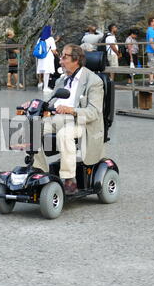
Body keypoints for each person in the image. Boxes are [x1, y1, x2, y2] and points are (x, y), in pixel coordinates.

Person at [29, 44, 105, 195]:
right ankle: (40, 171)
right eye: (61, 57)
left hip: (81, 123)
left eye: (64, 57)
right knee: (31, 128)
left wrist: (72, 110)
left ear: (76, 59)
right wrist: (34, 104)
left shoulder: (94, 81)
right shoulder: (62, 80)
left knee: (65, 134)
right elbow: (50, 103)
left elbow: (94, 113)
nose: (60, 61)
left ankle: (69, 179)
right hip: (57, 119)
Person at [36, 25, 58, 93]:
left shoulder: (40, 39)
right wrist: (57, 54)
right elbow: (54, 50)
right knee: (47, 72)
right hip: (48, 57)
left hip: (41, 57)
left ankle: (41, 83)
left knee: (42, 71)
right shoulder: (50, 39)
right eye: (51, 30)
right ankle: (45, 87)